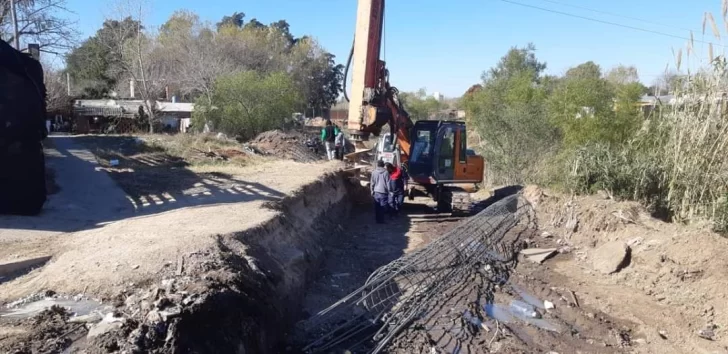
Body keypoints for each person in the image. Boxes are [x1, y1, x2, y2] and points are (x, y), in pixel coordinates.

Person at [370, 160, 391, 224]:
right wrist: (390, 191)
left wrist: (372, 190)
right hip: (383, 192)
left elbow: (372, 182)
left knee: (377, 206)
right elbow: (388, 183)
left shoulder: (374, 172)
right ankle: (381, 220)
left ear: (377, 165)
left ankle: (377, 220)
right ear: (383, 165)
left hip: (376, 192)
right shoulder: (386, 172)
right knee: (383, 207)